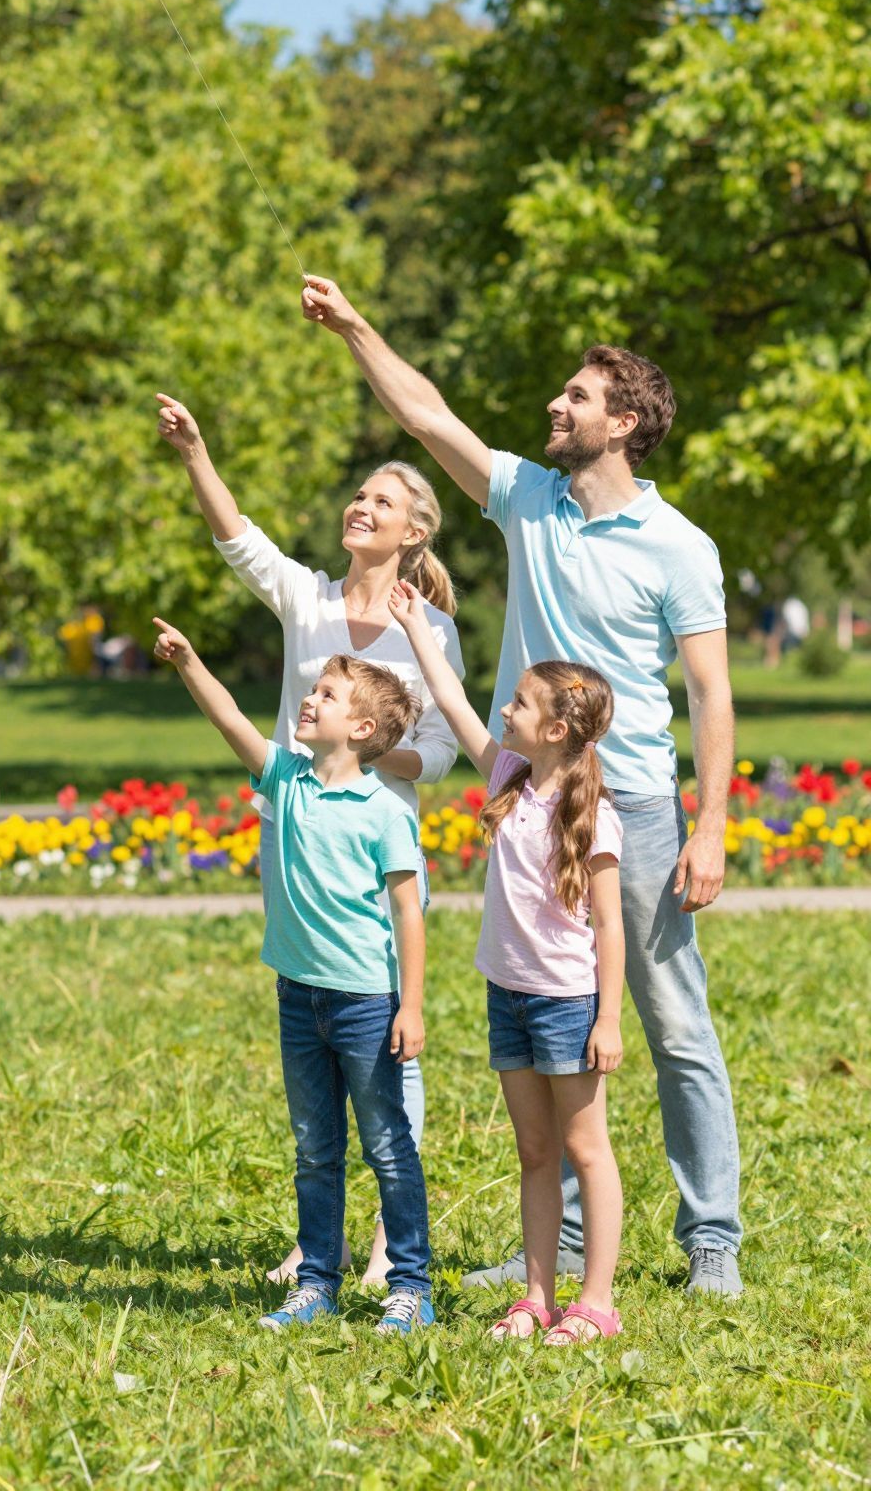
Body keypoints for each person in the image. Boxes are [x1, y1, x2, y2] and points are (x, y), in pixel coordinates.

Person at [301, 276, 742, 1298]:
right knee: (547, 1001)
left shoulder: (681, 547)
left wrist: (708, 826)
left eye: (577, 397)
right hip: (520, 802)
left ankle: (710, 1231)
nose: (556, 405)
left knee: (671, 1018)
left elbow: (712, 695)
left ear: (624, 422)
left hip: (628, 804)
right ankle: (573, 1244)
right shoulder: (528, 498)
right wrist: (361, 326)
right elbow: (427, 414)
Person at [156, 392, 463, 1285]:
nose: (360, 507)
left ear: (414, 530)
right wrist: (196, 452)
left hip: (376, 843)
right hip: (295, 840)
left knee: (387, 1040)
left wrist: (366, 765)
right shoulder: (308, 598)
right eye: (357, 496)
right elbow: (237, 537)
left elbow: (442, 750)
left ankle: (387, 1241)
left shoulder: (430, 627)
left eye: (382, 501)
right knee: (316, 1028)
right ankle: (317, 1236)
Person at [152, 621, 434, 1337]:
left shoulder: (383, 812)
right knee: (314, 1148)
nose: (309, 699)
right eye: (313, 690)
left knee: (388, 1147)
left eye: (327, 694)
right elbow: (228, 718)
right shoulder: (286, 780)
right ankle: (316, 1283)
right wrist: (190, 663)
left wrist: (413, 1007)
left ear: (362, 726)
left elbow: (410, 913)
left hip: (369, 1003)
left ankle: (411, 1286)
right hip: (298, 997)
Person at [390, 579, 625, 1344]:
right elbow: (453, 702)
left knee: (585, 1150)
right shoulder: (508, 780)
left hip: (566, 1003)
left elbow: (611, 929)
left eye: (520, 704)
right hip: (510, 996)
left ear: (557, 727)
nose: (505, 713)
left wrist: (610, 1018)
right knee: (533, 1152)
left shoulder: (594, 816)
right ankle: (535, 1295)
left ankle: (595, 1303)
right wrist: (416, 629)